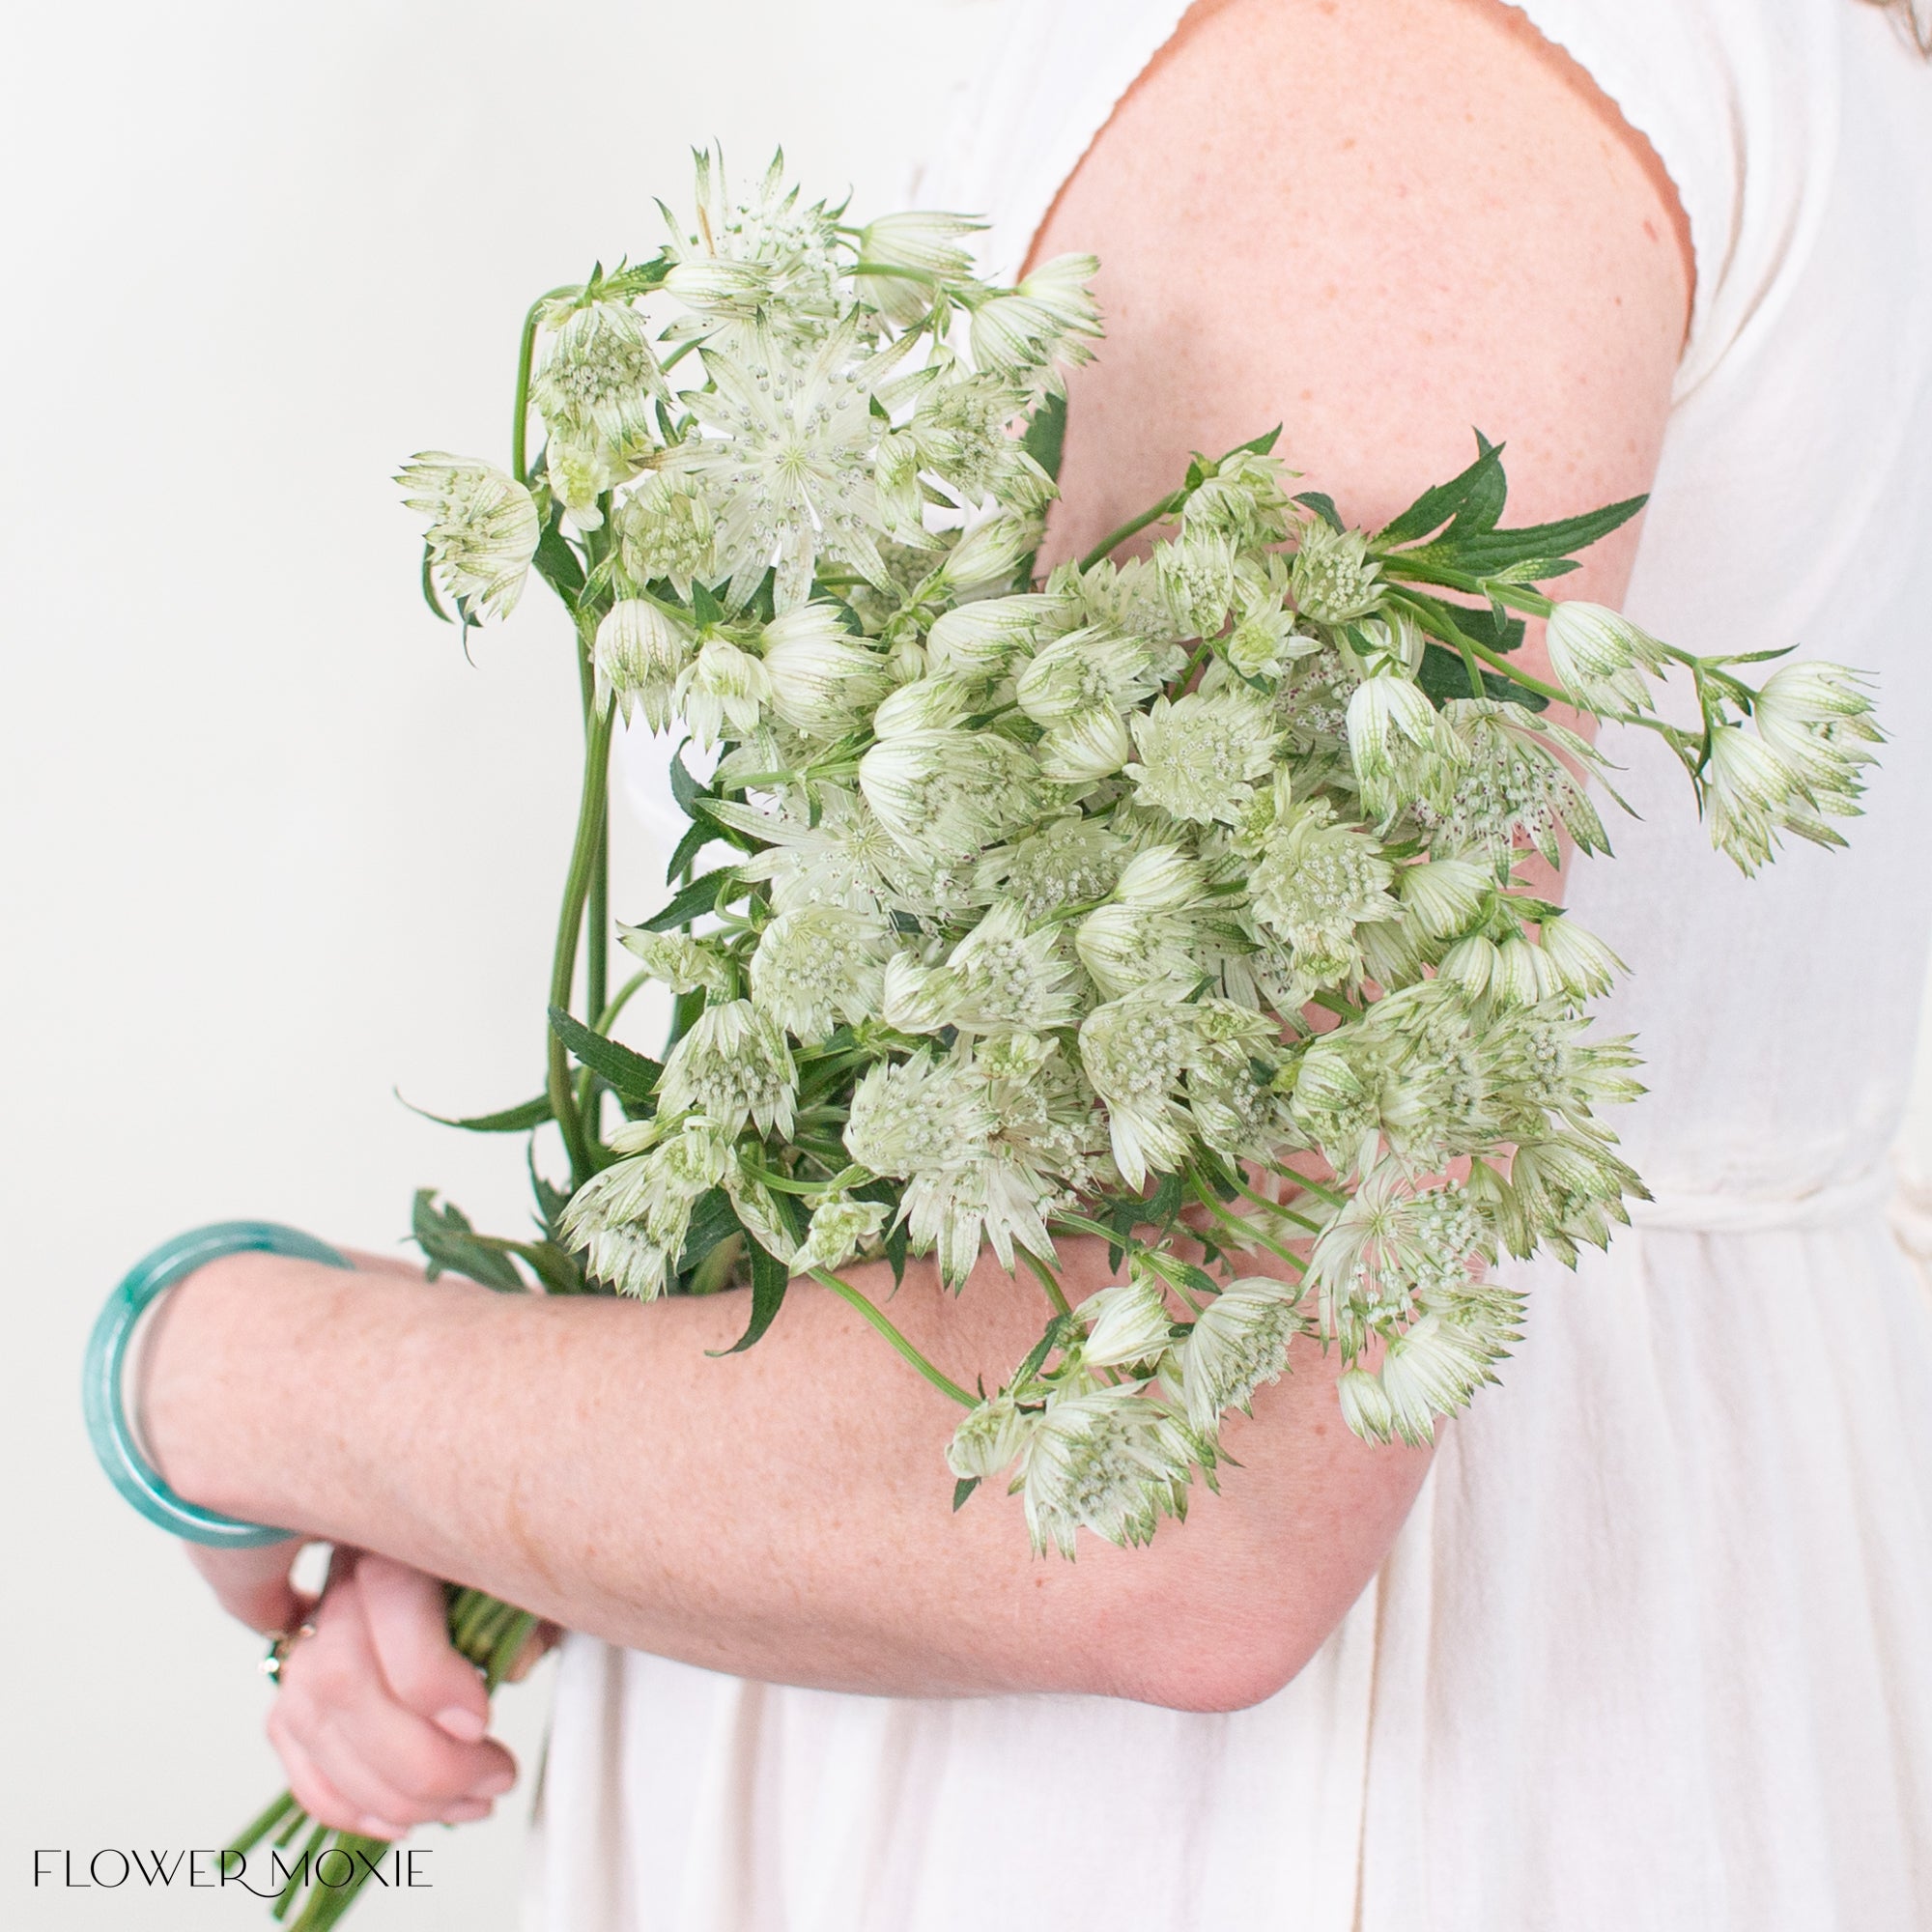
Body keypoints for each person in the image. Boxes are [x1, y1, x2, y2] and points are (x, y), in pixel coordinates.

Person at [134, 0, 1932, 1923]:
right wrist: (533, 1493)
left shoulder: (1390, 68)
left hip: (1276, 1807)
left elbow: (1182, 1483)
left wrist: (222, 1364)